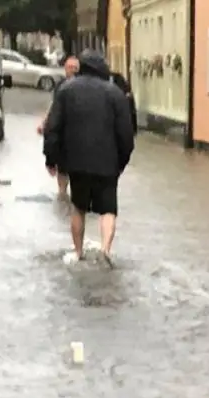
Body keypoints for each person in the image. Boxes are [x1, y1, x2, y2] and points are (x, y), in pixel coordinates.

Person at [42, 51, 135, 263]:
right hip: (107, 163)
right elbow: (126, 134)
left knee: (78, 206)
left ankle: (78, 252)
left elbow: (52, 128)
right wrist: (121, 162)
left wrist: (51, 158)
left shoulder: (65, 91)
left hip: (76, 162)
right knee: (108, 209)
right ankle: (105, 250)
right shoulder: (115, 94)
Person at [39, 55, 80, 199]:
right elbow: (54, 106)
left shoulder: (84, 87)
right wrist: (44, 122)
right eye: (70, 67)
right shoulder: (61, 86)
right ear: (65, 69)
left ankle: (73, 200)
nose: (73, 70)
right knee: (62, 169)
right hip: (63, 133)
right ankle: (62, 197)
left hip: (79, 134)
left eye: (76, 68)